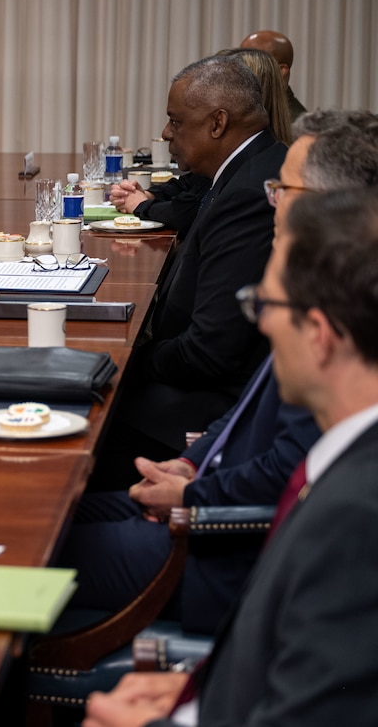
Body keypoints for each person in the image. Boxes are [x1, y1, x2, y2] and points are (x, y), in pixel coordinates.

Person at [57, 110, 378, 634]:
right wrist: (190, 464)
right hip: (206, 491)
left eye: (284, 187)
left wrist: (191, 494)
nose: (270, 196)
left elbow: (293, 467)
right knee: (45, 518)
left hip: (219, 545)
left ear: (328, 205)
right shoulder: (318, 277)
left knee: (30, 550)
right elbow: (251, 409)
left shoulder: (338, 312)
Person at [84, 186, 378, 727]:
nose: (260, 325)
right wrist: (194, 691)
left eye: (264, 305)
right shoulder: (348, 455)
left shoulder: (354, 513)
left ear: (318, 335)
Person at [96, 55, 287, 482]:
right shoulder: (250, 166)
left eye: (176, 122)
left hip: (215, 405)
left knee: (89, 420)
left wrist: (129, 360)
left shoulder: (249, 195)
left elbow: (209, 353)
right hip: (209, 380)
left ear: (217, 124)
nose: (166, 134)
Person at [109, 48, 292, 235]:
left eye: (175, 122)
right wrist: (151, 195)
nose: (165, 133)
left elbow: (186, 212)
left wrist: (142, 205)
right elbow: (190, 184)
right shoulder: (250, 158)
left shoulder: (248, 190)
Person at [240, 29, 308, 120]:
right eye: (239, 59)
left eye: (251, 61)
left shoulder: (295, 126)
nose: (239, 67)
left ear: (280, 72)